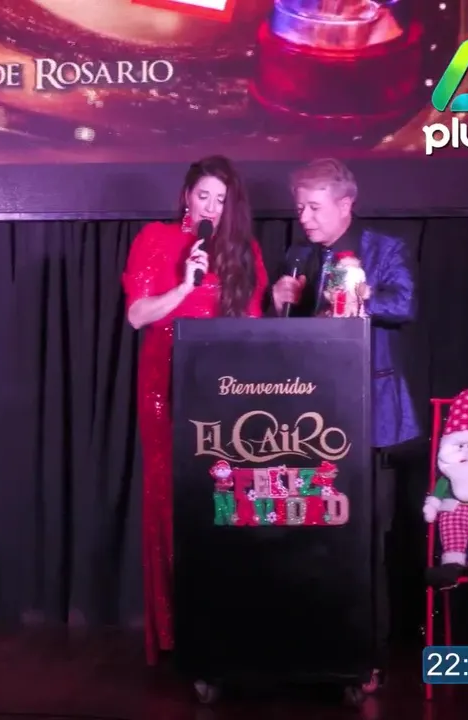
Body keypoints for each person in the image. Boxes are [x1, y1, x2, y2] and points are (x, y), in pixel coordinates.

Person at [269, 158, 419, 686]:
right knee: (310, 536)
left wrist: (360, 291)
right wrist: (278, 304)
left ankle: (367, 657)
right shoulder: (297, 256)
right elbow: (286, 337)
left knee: (367, 543)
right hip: (310, 418)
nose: (304, 218)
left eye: (314, 208)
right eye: (300, 208)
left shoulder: (384, 250)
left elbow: (404, 303)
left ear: (345, 205)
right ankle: (314, 645)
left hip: (370, 417)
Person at [122, 156, 268, 666]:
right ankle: (173, 628)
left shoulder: (244, 249)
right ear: (186, 195)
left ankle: (222, 624)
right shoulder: (156, 238)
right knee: (169, 494)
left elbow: (252, 325)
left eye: (221, 200)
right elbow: (137, 315)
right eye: (203, 195)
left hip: (222, 385)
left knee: (222, 494)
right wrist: (185, 286)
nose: (210, 207)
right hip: (164, 378)